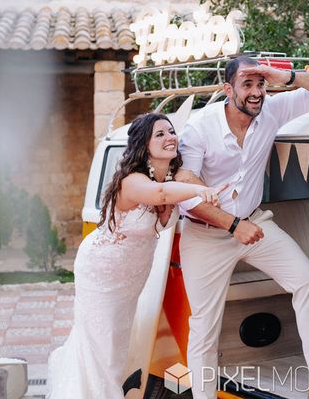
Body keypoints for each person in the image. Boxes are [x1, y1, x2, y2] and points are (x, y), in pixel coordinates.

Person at [176, 56, 309, 399]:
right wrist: (233, 225)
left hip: (252, 223)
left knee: (307, 279)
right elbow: (186, 194)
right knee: (204, 326)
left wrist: (285, 75)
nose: (256, 92)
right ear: (228, 89)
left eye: (260, 84)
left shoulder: (272, 111)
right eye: (247, 84)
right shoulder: (200, 126)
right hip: (206, 235)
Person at [47, 112, 225, 399]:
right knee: (102, 345)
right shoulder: (132, 181)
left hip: (131, 275)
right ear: (144, 144)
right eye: (160, 134)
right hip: (102, 270)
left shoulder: (170, 177)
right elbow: (161, 194)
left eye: (171, 132)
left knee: (117, 345)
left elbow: (166, 201)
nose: (170, 138)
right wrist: (201, 190)